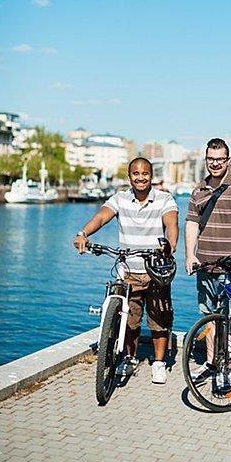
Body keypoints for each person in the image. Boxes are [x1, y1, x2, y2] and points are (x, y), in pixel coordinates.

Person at [73, 157, 178, 384]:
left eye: (145, 173)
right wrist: (83, 234)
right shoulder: (119, 199)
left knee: (159, 319)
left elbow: (172, 223)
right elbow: (101, 217)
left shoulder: (164, 198)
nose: (141, 177)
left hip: (155, 269)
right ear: (129, 176)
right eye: (135, 173)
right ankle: (129, 358)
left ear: (151, 176)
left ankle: (159, 363)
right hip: (127, 269)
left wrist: (170, 244)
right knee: (129, 320)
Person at [185, 138, 231, 380]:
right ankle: (211, 363)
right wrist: (189, 254)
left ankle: (230, 363)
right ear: (206, 160)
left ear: (228, 160)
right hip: (206, 264)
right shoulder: (199, 190)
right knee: (209, 317)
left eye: (219, 159)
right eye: (211, 159)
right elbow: (192, 223)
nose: (215, 164)